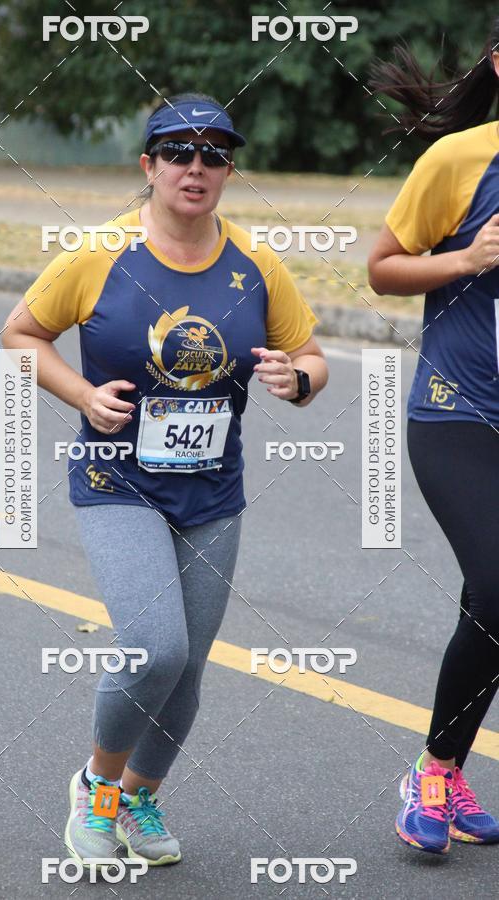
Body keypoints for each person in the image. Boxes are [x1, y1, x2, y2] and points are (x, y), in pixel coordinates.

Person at [2, 92, 328, 869]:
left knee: (187, 664)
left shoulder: (256, 265)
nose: (197, 166)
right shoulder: (98, 254)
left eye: (215, 153)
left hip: (214, 495)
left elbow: (312, 355)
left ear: (228, 170)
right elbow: (21, 335)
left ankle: (142, 794)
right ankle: (96, 789)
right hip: (117, 481)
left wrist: (298, 380)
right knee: (154, 646)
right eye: (178, 151)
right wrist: (81, 396)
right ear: (148, 166)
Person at [368, 22, 499, 855]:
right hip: (459, 413)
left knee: (493, 605)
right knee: (497, 579)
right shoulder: (459, 162)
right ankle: (434, 770)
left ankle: (443, 771)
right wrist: (468, 258)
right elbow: (381, 267)